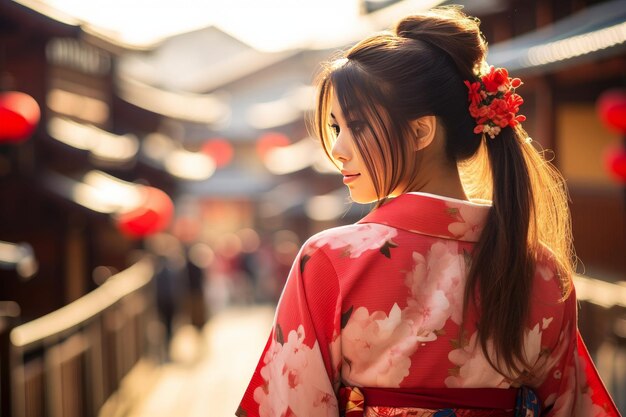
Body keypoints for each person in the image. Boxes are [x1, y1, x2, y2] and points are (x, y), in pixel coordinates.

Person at [237, 7, 620, 417]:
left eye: (358, 127)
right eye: (336, 129)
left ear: (421, 131)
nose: (338, 149)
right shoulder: (542, 271)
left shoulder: (332, 262)